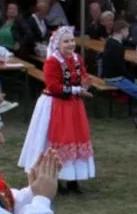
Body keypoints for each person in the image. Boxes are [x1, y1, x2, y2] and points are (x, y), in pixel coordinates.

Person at [19, 26, 94, 193]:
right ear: (57, 44)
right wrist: (75, 90)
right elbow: (53, 86)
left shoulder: (77, 58)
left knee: (75, 139)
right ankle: (57, 179)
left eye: (72, 40)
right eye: (66, 41)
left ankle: (73, 179)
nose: (70, 44)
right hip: (55, 105)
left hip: (73, 105)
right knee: (56, 139)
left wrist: (84, 83)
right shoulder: (52, 62)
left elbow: (81, 74)